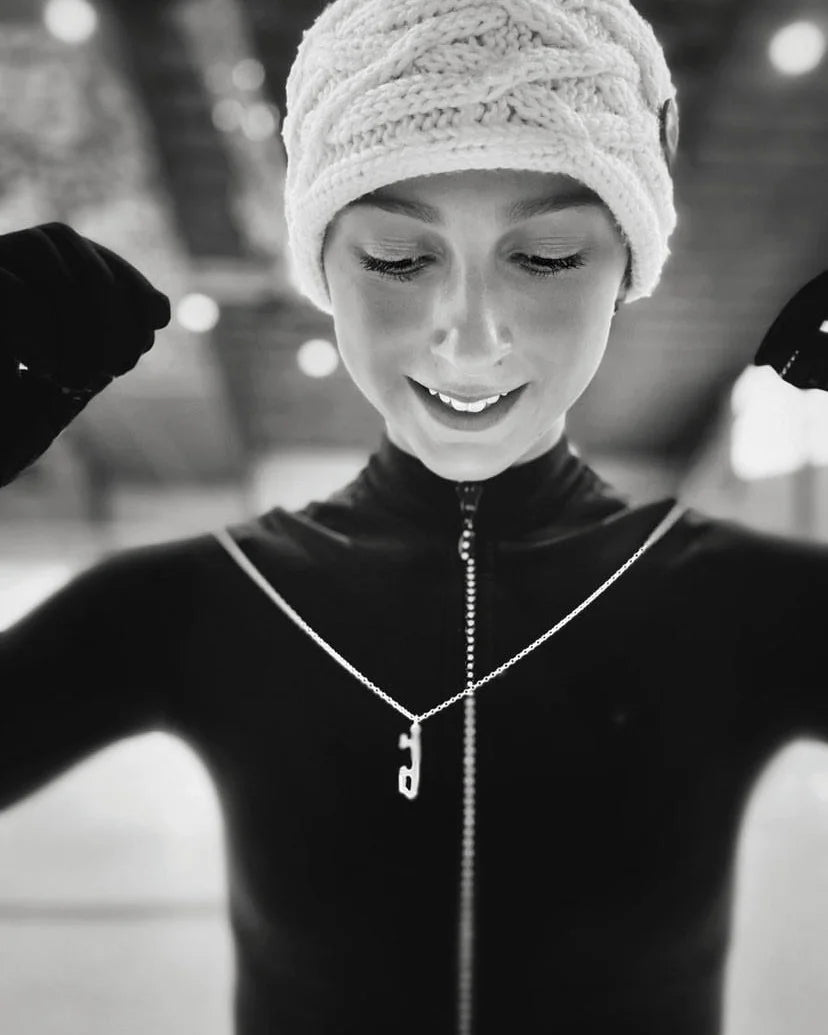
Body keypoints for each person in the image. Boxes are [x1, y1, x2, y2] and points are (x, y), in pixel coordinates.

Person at [1, 1, 827, 1033]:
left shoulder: (749, 607)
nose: (470, 337)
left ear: (626, 275)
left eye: (550, 257)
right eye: (398, 257)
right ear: (325, 271)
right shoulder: (197, 605)